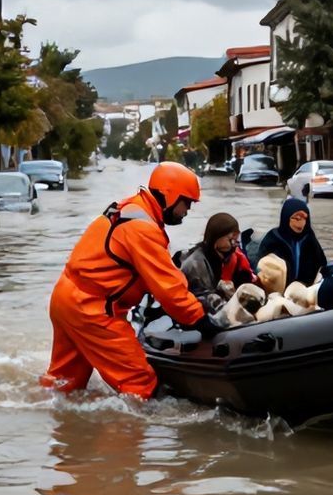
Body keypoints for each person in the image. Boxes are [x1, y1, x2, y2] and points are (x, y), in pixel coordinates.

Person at [41, 162, 221, 400]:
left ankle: (58, 425)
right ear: (170, 195)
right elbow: (168, 288)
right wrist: (198, 318)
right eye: (186, 202)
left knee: (65, 384)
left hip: (67, 298)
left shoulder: (130, 208)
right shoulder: (143, 229)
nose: (187, 210)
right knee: (140, 384)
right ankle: (125, 434)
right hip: (93, 310)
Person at [178, 212, 257, 313]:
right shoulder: (196, 264)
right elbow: (204, 298)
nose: (234, 244)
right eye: (231, 239)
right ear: (216, 239)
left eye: (236, 239)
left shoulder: (231, 256)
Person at [255, 198, 327, 287]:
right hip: (277, 291)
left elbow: (322, 264)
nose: (301, 223)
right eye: (297, 218)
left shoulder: (309, 238)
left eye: (305, 218)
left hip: (305, 290)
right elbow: (260, 267)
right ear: (286, 217)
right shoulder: (273, 238)